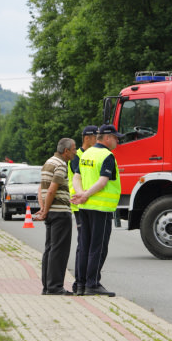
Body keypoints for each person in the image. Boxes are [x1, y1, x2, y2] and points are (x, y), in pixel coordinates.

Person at [71, 124, 123, 297]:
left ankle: (80, 284)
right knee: (97, 247)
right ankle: (92, 284)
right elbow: (102, 182)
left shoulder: (87, 154)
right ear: (107, 138)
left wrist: (81, 194)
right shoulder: (107, 155)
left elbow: (76, 177)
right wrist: (86, 194)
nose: (117, 140)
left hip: (84, 207)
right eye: (115, 137)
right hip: (99, 208)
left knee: (84, 246)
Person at [34, 138, 77, 296]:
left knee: (50, 249)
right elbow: (51, 190)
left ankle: (47, 285)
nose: (75, 152)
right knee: (59, 251)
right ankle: (55, 287)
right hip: (59, 212)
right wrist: (45, 210)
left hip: (51, 212)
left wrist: (44, 208)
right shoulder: (61, 165)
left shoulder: (48, 162)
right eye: (73, 149)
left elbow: (41, 189)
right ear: (66, 151)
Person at [68, 125, 98, 294]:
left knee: (86, 244)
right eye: (96, 137)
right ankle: (79, 282)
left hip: (86, 203)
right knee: (83, 245)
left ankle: (83, 281)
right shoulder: (77, 156)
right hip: (79, 205)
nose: (97, 140)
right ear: (87, 138)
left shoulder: (88, 155)